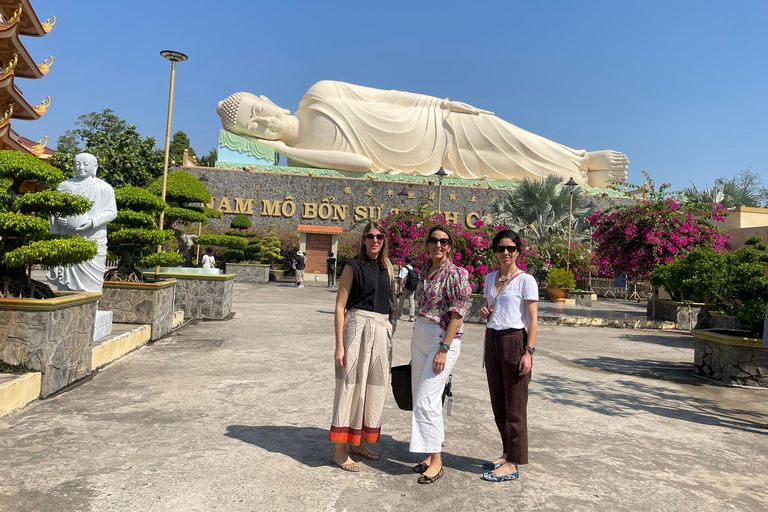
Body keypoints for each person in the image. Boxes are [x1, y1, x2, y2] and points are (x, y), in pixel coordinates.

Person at [216, 82, 629, 188]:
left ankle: (580, 158)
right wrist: (283, 148)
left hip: (434, 124)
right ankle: (579, 177)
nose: (263, 123)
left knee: (507, 135)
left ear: (267, 99)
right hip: (430, 161)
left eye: (258, 112)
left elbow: (391, 98)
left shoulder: (319, 92)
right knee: (511, 170)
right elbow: (361, 166)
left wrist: (441, 104)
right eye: (253, 128)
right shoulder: (301, 151)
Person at [330, 222, 396, 472]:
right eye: (370, 236)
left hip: (380, 331)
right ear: (363, 239)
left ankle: (357, 443)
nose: (375, 240)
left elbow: (390, 303)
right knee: (349, 387)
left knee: (372, 389)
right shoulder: (352, 265)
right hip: (356, 328)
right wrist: (339, 345)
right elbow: (339, 306)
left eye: (379, 236)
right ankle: (339, 450)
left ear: (384, 240)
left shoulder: (387, 268)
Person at [409, 225, 472, 484]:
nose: (439, 245)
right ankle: (428, 452)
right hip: (420, 336)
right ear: (427, 244)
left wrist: (444, 349)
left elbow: (457, 313)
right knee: (420, 398)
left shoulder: (457, 273)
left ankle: (436, 460)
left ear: (450, 246)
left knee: (427, 399)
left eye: (444, 242)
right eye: (434, 240)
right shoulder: (424, 271)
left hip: (441, 339)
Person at [478, 229, 539, 482]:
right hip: (492, 339)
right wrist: (485, 313)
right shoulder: (489, 277)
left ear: (517, 252)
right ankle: (506, 452)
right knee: (498, 404)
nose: (506, 253)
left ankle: (514, 462)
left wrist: (529, 352)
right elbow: (493, 310)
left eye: (511, 249)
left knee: (515, 405)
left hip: (515, 340)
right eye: (501, 248)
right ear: (495, 251)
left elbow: (533, 320)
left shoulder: (526, 280)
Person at [47, 153, 117, 293]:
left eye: (86, 164)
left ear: (95, 167)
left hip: (92, 236)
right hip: (68, 235)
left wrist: (92, 221)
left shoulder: (104, 187)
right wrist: (58, 219)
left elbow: (111, 212)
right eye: (77, 164)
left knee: (90, 281)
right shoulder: (65, 186)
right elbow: (54, 209)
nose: (81, 167)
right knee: (67, 272)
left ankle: (89, 305)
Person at [397, 255, 417, 322]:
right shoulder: (412, 269)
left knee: (401, 301)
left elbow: (402, 279)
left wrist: (400, 288)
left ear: (405, 261)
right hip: (412, 288)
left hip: (405, 287)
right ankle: (411, 316)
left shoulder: (404, 269)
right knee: (411, 302)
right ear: (411, 261)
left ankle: (399, 315)